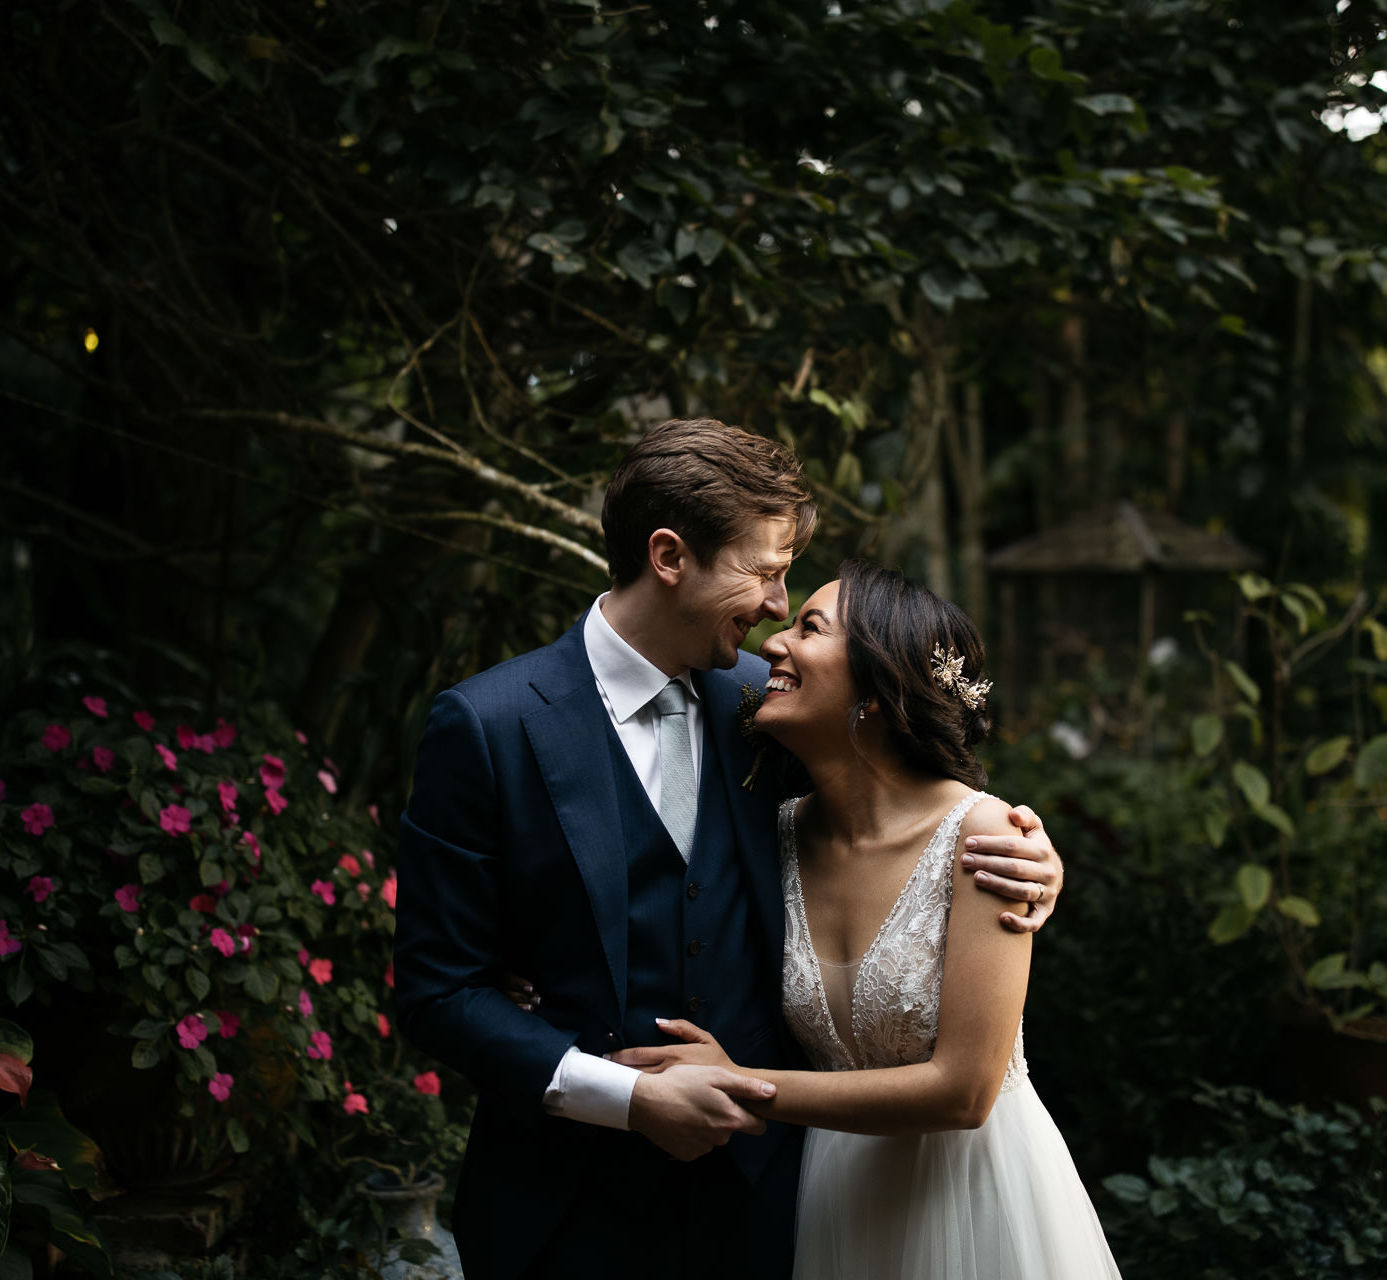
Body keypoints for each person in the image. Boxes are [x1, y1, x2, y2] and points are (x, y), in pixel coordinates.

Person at [392, 420, 1065, 1279]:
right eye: (767, 571)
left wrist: (1032, 855)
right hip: (559, 1212)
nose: (779, 611)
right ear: (671, 557)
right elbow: (437, 989)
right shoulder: (487, 725)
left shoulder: (773, 703)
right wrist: (628, 1098)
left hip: (769, 1206)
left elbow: (904, 811)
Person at [613, 560, 1121, 1279]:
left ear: (877, 690)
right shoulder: (775, 835)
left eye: (809, 628)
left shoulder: (990, 842)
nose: (773, 645)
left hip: (978, 1199)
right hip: (833, 1193)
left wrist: (737, 1085)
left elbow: (966, 1092)